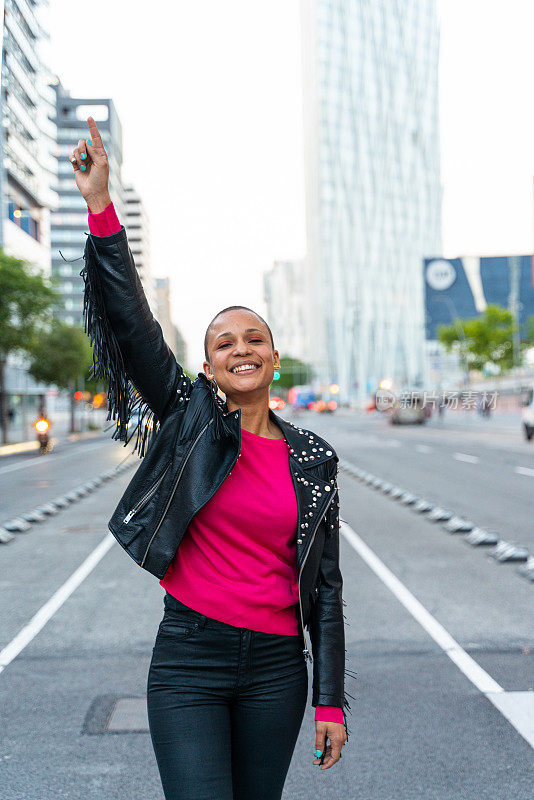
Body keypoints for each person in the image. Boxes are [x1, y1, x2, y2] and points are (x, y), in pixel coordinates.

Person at [69, 117, 353, 800]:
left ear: (275, 357)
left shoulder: (312, 457)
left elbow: (327, 588)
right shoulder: (190, 416)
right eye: (224, 342)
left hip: (278, 670)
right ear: (207, 366)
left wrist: (331, 701)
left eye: (254, 337)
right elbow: (133, 327)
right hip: (190, 659)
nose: (241, 348)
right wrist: (101, 210)